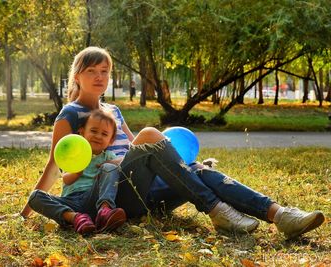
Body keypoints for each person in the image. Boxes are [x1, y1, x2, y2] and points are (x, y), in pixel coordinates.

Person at [21, 46, 325, 240]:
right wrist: (24, 214)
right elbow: (56, 165)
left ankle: (280, 215)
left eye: (105, 72)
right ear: (77, 75)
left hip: (141, 190)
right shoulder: (70, 114)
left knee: (195, 170)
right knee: (153, 136)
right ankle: (216, 208)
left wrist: (175, 163)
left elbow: (132, 147)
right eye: (92, 71)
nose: (100, 77)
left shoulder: (113, 111)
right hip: (110, 198)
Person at [27, 109, 126, 235]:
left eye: (104, 134)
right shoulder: (75, 153)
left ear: (111, 141)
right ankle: (75, 218)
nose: (98, 136)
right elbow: (66, 179)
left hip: (93, 199)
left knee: (109, 168)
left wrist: (111, 163)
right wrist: (77, 172)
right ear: (82, 131)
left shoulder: (108, 156)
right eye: (94, 131)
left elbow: (123, 161)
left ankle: (104, 211)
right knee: (35, 196)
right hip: (70, 201)